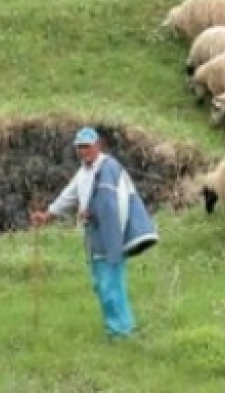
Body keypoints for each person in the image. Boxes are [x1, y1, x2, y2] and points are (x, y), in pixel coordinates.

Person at [31, 127, 137, 340]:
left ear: (97, 146)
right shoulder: (84, 172)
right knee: (101, 284)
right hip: (94, 237)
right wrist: (48, 215)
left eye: (87, 146)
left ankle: (120, 332)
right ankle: (120, 327)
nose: (83, 151)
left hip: (110, 236)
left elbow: (111, 202)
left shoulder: (109, 168)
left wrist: (91, 211)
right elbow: (69, 196)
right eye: (79, 147)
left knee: (110, 283)